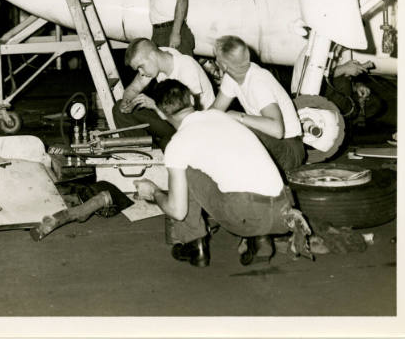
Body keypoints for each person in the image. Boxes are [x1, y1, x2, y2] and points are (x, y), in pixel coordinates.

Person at [133, 80, 313, 268]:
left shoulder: (178, 144)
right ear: (192, 101)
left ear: (161, 113)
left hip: (247, 214)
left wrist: (154, 191)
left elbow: (177, 212)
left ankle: (195, 245)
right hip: (283, 208)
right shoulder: (224, 117)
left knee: (186, 170)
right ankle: (259, 238)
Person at [211, 35, 305, 174]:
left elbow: (277, 130)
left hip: (289, 149)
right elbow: (214, 112)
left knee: (238, 128)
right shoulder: (232, 76)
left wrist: (238, 116)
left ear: (223, 65)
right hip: (274, 145)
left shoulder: (258, 82)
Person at [112, 38, 215, 149]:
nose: (141, 73)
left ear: (152, 56)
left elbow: (189, 119)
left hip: (196, 125)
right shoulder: (161, 55)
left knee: (167, 144)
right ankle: (143, 154)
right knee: (118, 109)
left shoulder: (186, 68)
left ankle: (158, 153)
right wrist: (127, 102)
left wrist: (155, 106)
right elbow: (133, 89)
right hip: (171, 117)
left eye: (141, 67)